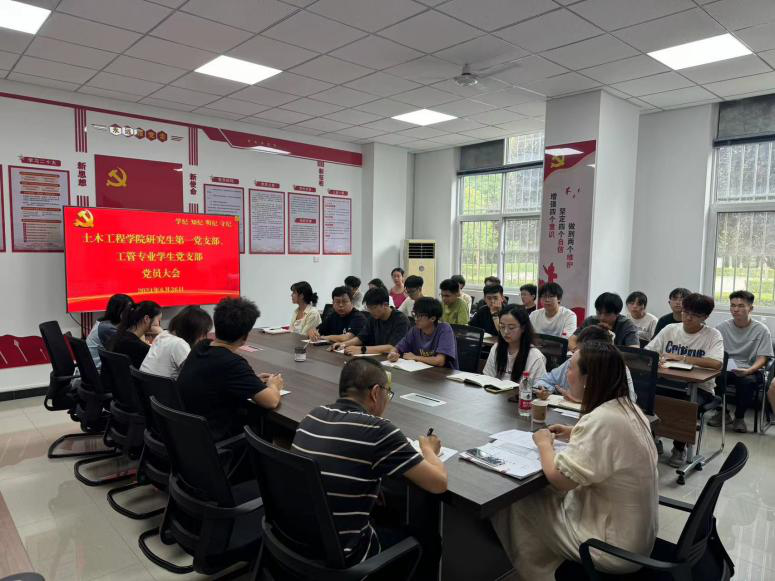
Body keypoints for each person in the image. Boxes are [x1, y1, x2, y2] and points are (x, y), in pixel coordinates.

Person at [493, 342, 658, 580]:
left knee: (514, 501)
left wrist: (544, 445)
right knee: (544, 496)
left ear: (588, 379)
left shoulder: (602, 421)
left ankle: (541, 573)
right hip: (634, 537)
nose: (566, 374)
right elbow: (612, 443)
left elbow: (561, 480)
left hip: (609, 547)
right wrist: (574, 432)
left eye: (570, 368)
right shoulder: (629, 408)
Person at [292, 358, 447, 565]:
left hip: (296, 541)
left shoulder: (312, 416)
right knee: (428, 541)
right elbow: (438, 483)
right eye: (387, 393)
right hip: (344, 556)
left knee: (386, 510)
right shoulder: (378, 430)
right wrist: (429, 449)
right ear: (375, 392)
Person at [177, 297, 283, 441]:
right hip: (216, 439)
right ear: (245, 336)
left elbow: (215, 378)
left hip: (189, 434)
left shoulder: (201, 347)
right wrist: (273, 385)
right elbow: (271, 401)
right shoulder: (232, 363)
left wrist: (250, 381)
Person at [645, 293, 723, 468]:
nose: (688, 317)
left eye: (695, 315)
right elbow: (649, 352)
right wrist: (658, 359)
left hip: (700, 388)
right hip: (667, 382)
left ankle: (679, 447)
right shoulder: (670, 329)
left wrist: (682, 358)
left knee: (684, 404)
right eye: (686, 312)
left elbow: (716, 363)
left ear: (705, 317)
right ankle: (653, 439)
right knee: (646, 398)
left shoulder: (712, 335)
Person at [711, 290, 773, 433]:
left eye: (740, 306)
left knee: (746, 382)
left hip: (750, 369)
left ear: (750, 308)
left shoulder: (761, 330)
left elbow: (763, 357)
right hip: (726, 368)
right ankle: (722, 413)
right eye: (733, 305)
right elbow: (715, 351)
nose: (735, 309)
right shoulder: (722, 328)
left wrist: (749, 370)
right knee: (714, 376)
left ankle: (739, 417)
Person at [535, 324, 638, 403]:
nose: (576, 353)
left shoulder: (616, 368)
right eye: (577, 349)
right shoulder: (574, 360)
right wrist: (547, 390)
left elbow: (628, 402)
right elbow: (545, 380)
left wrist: (583, 400)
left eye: (581, 350)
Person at [140, 306, 213, 380]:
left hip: (145, 385)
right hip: (161, 386)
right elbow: (195, 375)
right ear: (193, 331)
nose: (204, 337)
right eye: (203, 333)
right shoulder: (179, 344)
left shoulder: (163, 335)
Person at [333, 287, 410, 355]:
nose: (370, 311)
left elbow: (392, 347)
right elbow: (361, 338)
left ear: (385, 305)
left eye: (373, 308)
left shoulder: (401, 320)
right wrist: (344, 344)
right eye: (368, 308)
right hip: (379, 357)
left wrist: (362, 349)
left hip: (397, 361)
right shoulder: (374, 317)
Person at [483, 304, 546, 384]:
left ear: (523, 328)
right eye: (502, 326)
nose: (506, 332)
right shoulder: (496, 348)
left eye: (511, 328)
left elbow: (538, 388)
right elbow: (487, 378)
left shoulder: (535, 357)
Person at [388, 297, 458, 369]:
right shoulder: (415, 330)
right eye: (415, 314)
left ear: (433, 318)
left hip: (444, 373)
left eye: (420, 316)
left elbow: (439, 361)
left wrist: (415, 357)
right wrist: (393, 354)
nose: (416, 319)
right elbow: (397, 348)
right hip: (422, 371)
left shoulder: (444, 329)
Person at [569, 292, 639, 350]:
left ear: (617, 313)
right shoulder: (590, 321)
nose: (602, 318)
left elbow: (634, 351)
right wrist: (578, 352)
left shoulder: (627, 325)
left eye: (607, 314)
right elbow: (572, 340)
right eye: (599, 313)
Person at [109, 301, 162, 369]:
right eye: (158, 320)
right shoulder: (141, 348)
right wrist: (162, 334)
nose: (159, 325)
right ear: (146, 319)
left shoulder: (116, 336)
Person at [86, 293, 134, 368]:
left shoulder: (104, 323)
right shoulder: (108, 328)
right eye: (129, 311)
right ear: (119, 311)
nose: (132, 314)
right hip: (98, 370)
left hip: (95, 368)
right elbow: (128, 348)